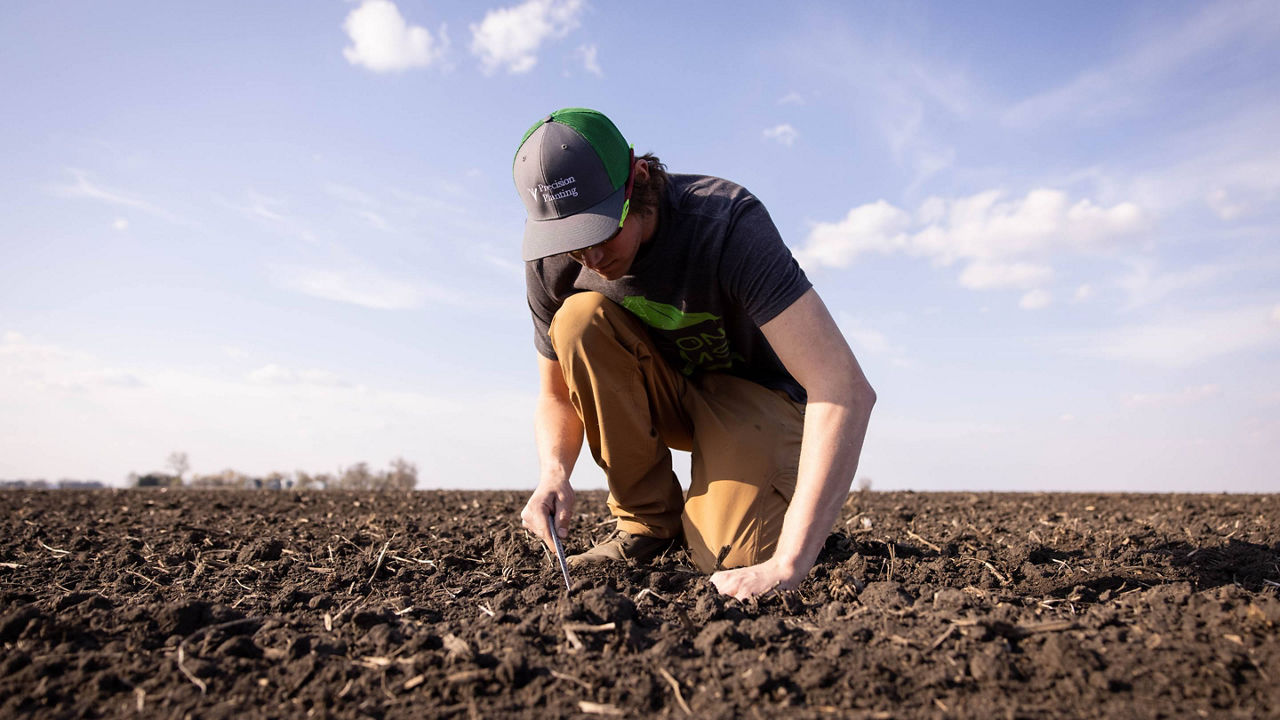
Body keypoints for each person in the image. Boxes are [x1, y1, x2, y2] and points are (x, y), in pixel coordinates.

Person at [514, 108, 875, 600]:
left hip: (756, 397)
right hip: (667, 394)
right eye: (574, 243)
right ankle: (647, 524)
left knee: (736, 558)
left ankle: (755, 512)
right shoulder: (554, 258)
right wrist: (553, 472)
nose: (591, 258)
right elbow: (555, 395)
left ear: (638, 179)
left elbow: (843, 388)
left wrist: (790, 563)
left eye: (600, 231)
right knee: (576, 321)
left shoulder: (726, 223)